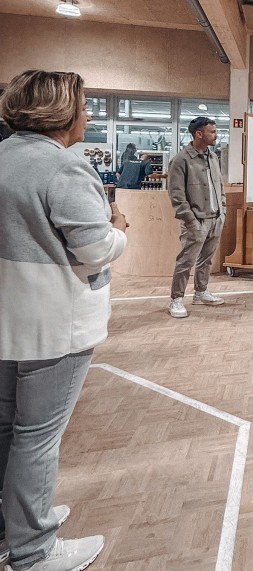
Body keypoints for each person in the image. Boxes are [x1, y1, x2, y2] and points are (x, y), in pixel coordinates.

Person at [0, 69, 128, 571]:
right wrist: (119, 228)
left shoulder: (4, 156)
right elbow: (95, 249)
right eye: (85, 106)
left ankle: (14, 526)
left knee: (8, 428)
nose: (89, 115)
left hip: (10, 318)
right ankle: (33, 551)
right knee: (38, 438)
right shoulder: (64, 167)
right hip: (55, 323)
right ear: (62, 113)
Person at [167, 116, 226, 318]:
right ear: (199, 134)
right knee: (186, 261)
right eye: (212, 132)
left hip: (215, 218)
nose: (216, 135)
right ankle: (176, 299)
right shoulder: (181, 160)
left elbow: (219, 186)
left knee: (206, 260)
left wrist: (222, 211)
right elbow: (176, 195)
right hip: (195, 221)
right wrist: (190, 220)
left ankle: (201, 292)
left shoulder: (213, 156)